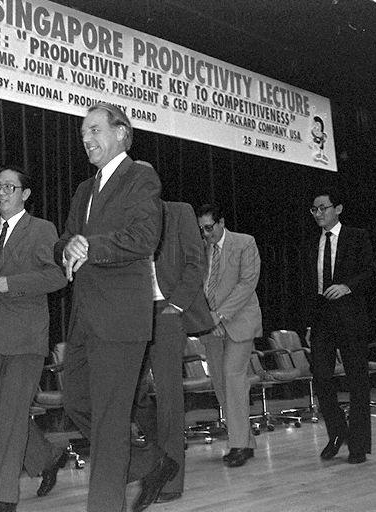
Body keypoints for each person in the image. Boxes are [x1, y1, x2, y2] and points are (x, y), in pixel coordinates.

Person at [54, 103, 164, 512]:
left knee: (109, 418)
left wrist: (90, 247)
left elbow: (145, 236)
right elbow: (64, 239)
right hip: (84, 316)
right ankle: (149, 463)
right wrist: (66, 247)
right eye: (83, 134)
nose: (87, 139)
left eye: (95, 130)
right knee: (76, 402)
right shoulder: (84, 190)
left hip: (120, 316)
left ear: (121, 132)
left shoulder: (140, 177)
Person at [0, 166, 68, 512]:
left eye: (9, 187)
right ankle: (48, 458)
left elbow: (57, 276)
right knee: (1, 414)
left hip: (26, 338)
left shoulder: (41, 229)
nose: (1, 192)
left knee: (11, 416)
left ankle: (4, 498)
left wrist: (11, 284)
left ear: (25, 194)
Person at [132, 200, 213, 503]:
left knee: (169, 397)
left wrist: (176, 305)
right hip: (133, 314)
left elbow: (195, 262)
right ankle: (159, 460)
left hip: (167, 310)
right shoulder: (123, 216)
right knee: (131, 395)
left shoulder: (179, 212)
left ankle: (171, 482)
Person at [306, 190, 374, 464]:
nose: (318, 213)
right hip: (322, 319)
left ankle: (358, 445)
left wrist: (347, 286)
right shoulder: (312, 242)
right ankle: (337, 433)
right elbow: (308, 286)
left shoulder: (357, 236)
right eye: (314, 209)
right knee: (321, 378)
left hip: (350, 317)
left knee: (357, 381)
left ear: (338, 208)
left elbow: (370, 271)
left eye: (323, 208)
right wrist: (308, 323)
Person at [196, 204, 262, 468]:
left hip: (239, 322)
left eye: (209, 228)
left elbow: (247, 283)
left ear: (221, 222)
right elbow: (198, 285)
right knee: (221, 384)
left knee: (233, 378)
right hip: (211, 328)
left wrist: (220, 315)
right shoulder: (201, 249)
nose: (205, 234)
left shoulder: (245, 243)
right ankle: (246, 439)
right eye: (201, 229)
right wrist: (206, 319)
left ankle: (238, 445)